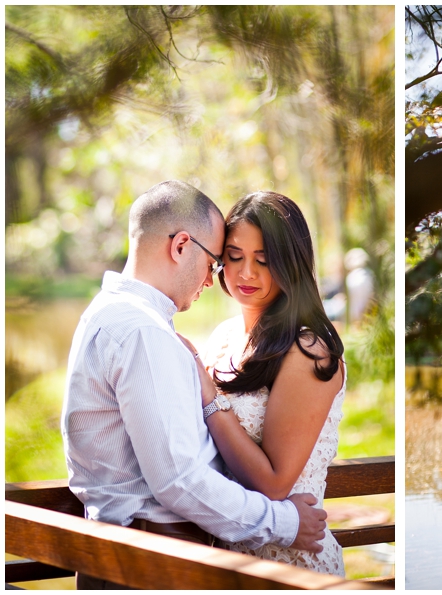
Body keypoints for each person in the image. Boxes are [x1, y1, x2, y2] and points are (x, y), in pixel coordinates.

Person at [61, 181, 327, 590]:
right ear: (181, 245)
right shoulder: (141, 333)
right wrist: (284, 522)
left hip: (134, 553)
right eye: (219, 260)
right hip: (151, 560)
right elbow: (177, 480)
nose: (214, 277)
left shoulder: (108, 313)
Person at [192, 191, 346, 576]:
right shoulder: (223, 337)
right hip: (226, 555)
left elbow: (275, 483)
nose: (246, 274)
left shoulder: (309, 350)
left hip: (290, 563)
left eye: (264, 261)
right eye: (235, 256)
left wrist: (209, 395)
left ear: (290, 264)